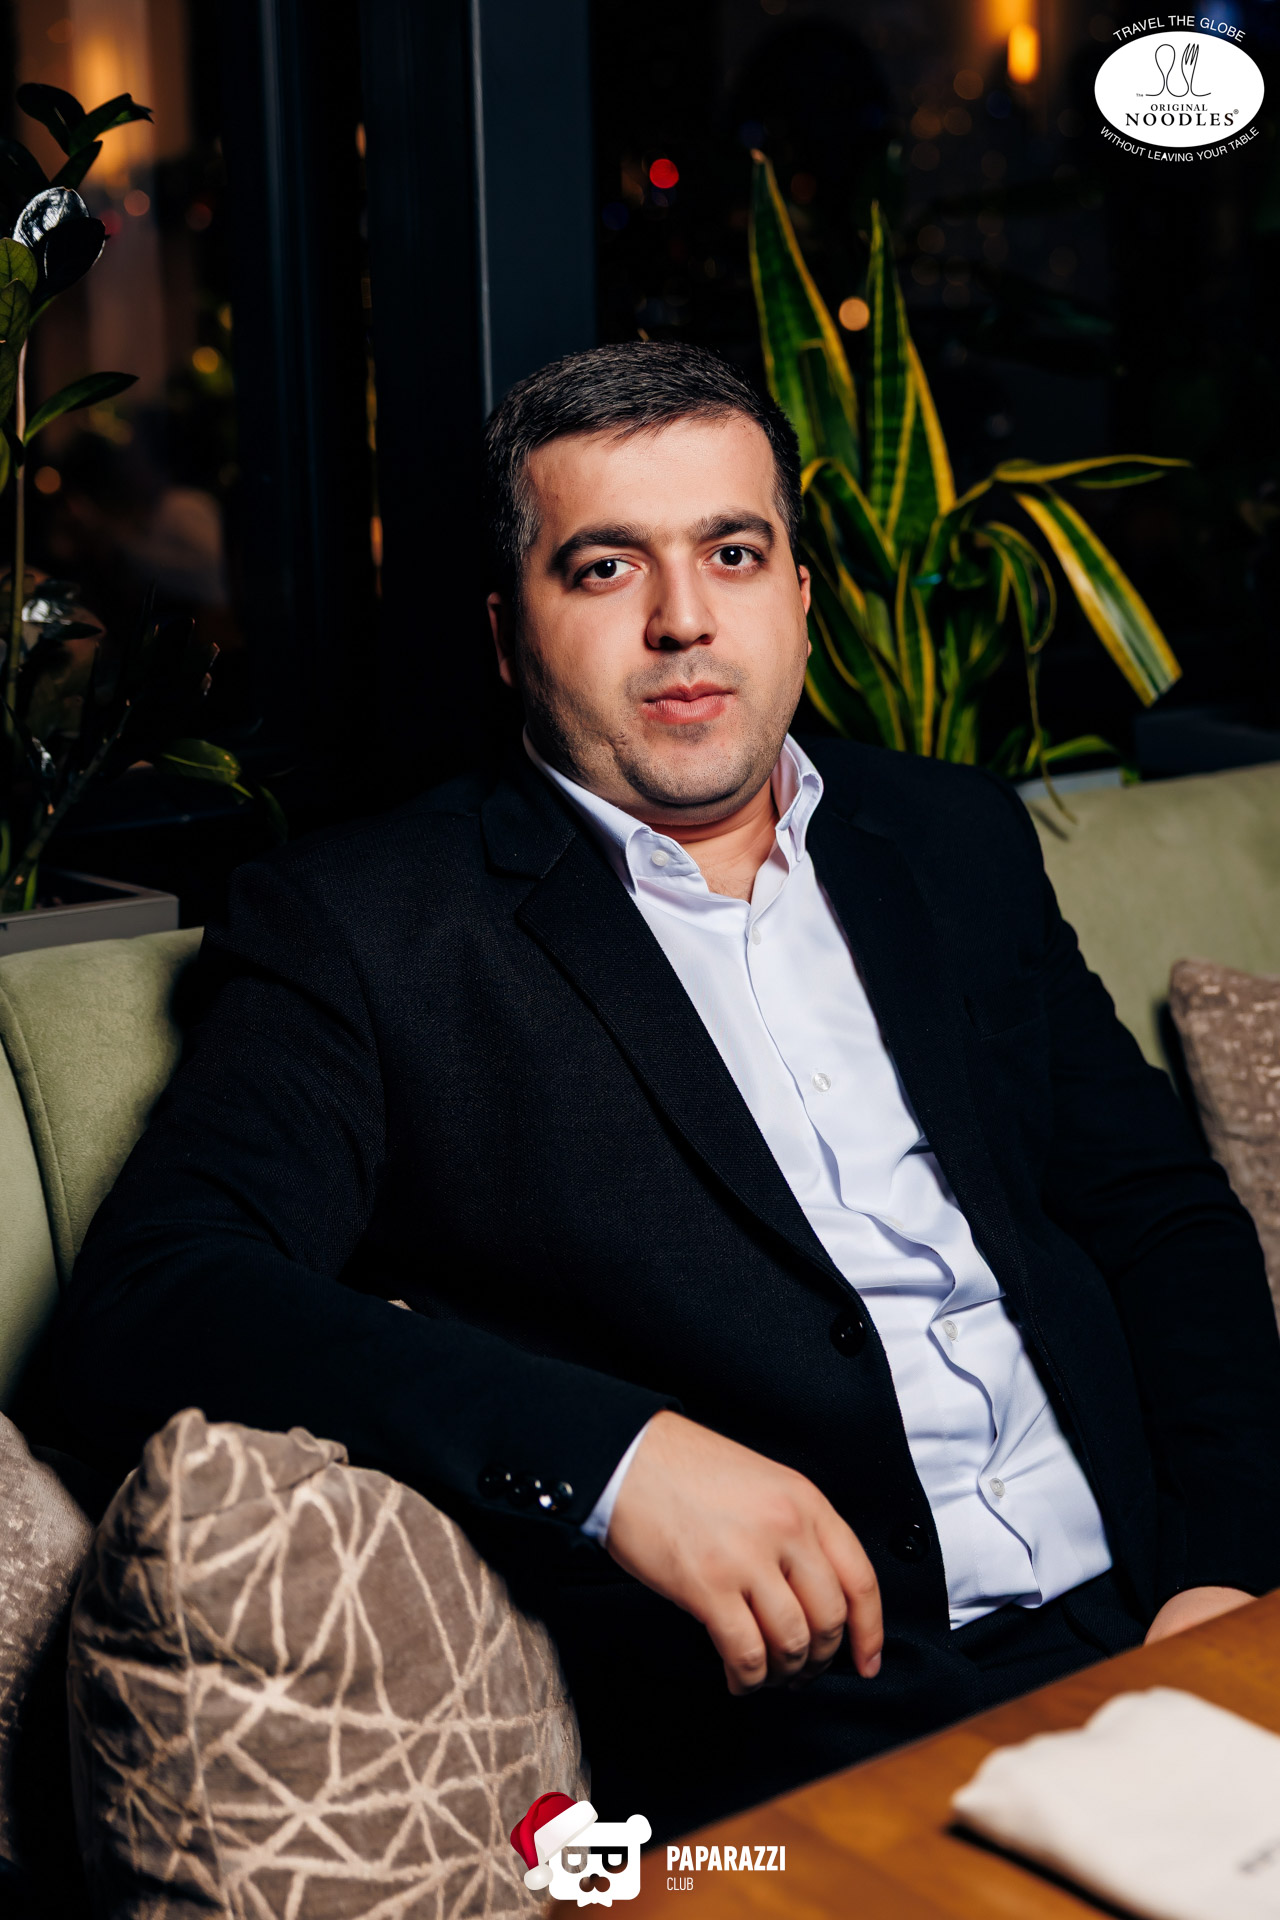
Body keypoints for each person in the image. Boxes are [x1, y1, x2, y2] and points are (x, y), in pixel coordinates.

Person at [55, 342, 1280, 1840]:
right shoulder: (365, 931)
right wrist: (617, 1462)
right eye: (606, 566)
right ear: (508, 633)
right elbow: (154, 1296)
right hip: (820, 1733)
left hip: (1163, 1615)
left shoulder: (952, 838)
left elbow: (1160, 1221)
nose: (685, 618)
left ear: (800, 597)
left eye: (733, 553)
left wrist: (1225, 1574)